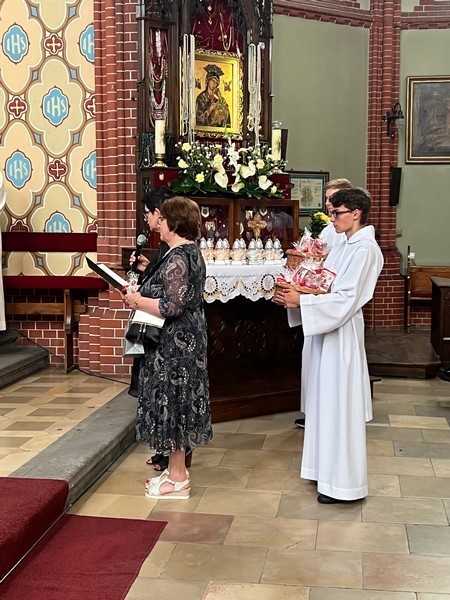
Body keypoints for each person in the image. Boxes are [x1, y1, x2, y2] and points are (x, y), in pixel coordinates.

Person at [275, 188, 383, 504]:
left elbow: (346, 299)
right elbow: (324, 284)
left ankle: (344, 485)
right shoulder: (344, 245)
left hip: (342, 333)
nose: (332, 218)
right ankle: (323, 472)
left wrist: (302, 302)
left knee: (339, 408)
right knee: (323, 404)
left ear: (356, 213)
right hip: (325, 332)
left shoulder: (365, 250)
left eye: (337, 213)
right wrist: (297, 290)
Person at [123, 196, 212, 499]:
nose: (157, 224)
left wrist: (137, 301)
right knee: (178, 403)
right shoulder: (188, 251)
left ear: (173, 222)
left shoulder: (178, 256)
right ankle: (175, 470)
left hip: (175, 345)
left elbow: (171, 305)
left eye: (161, 219)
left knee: (174, 403)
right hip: (184, 340)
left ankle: (178, 478)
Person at [294, 177, 353, 429]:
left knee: (331, 368)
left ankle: (329, 414)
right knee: (313, 363)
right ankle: (313, 412)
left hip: (330, 307)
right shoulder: (329, 229)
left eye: (333, 199)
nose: (328, 204)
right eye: (327, 199)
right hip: (317, 304)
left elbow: (341, 276)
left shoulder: (352, 237)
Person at [196, 64, 231, 128]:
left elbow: (227, 116)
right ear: (207, 81)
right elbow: (198, 119)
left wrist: (222, 109)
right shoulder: (201, 97)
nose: (214, 83)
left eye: (216, 82)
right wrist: (210, 108)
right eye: (212, 81)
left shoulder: (221, 99)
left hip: (219, 129)